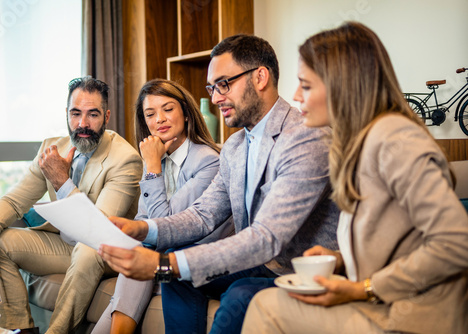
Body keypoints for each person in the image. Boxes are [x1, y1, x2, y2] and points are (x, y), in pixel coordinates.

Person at [98, 34, 339, 334]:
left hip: (300, 267)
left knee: (238, 293)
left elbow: (267, 237)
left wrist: (165, 263)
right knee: (178, 279)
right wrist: (142, 229)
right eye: (212, 88)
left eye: (224, 84)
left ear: (260, 77)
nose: (214, 98)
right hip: (263, 261)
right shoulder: (235, 146)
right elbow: (203, 215)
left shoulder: (305, 137)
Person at [242, 22, 468, 334]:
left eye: (305, 86)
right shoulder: (361, 143)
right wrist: (340, 259)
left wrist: (365, 288)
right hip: (386, 307)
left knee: (266, 307)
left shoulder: (393, 137)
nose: (295, 96)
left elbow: (457, 241)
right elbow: (399, 242)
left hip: (413, 318)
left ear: (341, 85)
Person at [0, 76, 143, 334]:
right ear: (66, 114)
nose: (82, 124)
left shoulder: (125, 160)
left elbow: (98, 232)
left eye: (92, 114)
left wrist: (61, 180)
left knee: (87, 250)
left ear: (106, 117)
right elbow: (15, 200)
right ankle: (20, 330)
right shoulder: (51, 148)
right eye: (76, 113)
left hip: (105, 251)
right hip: (63, 244)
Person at [92, 78, 226, 334]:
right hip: (163, 253)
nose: (160, 119)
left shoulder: (208, 162)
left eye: (168, 109)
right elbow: (144, 219)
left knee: (142, 253)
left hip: (195, 253)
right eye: (150, 114)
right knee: (134, 250)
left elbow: (165, 229)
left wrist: (152, 168)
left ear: (186, 114)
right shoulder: (158, 159)